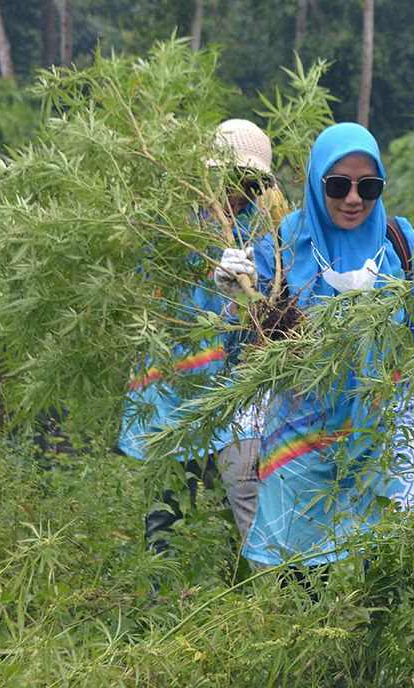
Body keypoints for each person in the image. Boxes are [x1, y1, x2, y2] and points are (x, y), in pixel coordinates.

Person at [214, 122, 414, 573]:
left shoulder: (400, 245)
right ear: (315, 182)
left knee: (403, 557)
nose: (353, 198)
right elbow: (243, 345)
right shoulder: (283, 247)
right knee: (302, 573)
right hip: (303, 438)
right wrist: (234, 296)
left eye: (368, 186)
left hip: (384, 432)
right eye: (339, 184)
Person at [118, 119, 274, 556]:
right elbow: (149, 287)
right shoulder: (170, 224)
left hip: (230, 396)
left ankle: (266, 612)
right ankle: (155, 614)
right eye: (231, 178)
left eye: (249, 182)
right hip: (173, 390)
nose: (238, 190)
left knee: (247, 510)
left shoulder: (260, 234)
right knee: (164, 519)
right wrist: (209, 272)